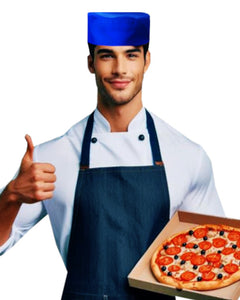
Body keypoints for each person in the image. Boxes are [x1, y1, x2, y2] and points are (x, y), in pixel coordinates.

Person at [0, 12, 224, 300]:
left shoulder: (187, 157)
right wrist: (11, 196)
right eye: (107, 56)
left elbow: (216, 256)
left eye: (131, 55)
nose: (120, 69)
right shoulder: (52, 156)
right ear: (91, 63)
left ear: (147, 60)